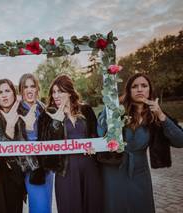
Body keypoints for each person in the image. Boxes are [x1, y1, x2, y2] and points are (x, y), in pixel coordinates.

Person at [97, 73, 183, 213]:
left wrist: (161, 116)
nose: (139, 89)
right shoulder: (116, 111)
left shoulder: (155, 116)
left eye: (144, 86)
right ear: (129, 91)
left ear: (150, 90)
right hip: (114, 168)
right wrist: (111, 112)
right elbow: (100, 133)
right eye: (134, 86)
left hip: (139, 169)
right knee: (115, 206)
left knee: (141, 205)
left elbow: (180, 141)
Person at [39, 75, 102, 213]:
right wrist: (57, 122)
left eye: (60, 91)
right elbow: (48, 147)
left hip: (89, 166)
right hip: (66, 170)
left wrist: (94, 146)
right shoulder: (48, 115)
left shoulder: (86, 110)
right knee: (69, 207)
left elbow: (94, 134)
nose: (56, 95)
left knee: (92, 206)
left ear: (69, 92)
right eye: (53, 92)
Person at [0, 78, 38, 213]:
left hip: (17, 170)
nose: (4, 95)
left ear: (14, 93)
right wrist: (10, 127)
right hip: (0, 172)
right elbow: (2, 148)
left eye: (7, 90)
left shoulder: (22, 112)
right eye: (0, 92)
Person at [17, 73, 54, 213]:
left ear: (37, 88)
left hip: (47, 167)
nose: (29, 90)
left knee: (47, 206)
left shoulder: (43, 108)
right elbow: (20, 141)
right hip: (32, 167)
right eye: (25, 87)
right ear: (21, 90)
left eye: (32, 86)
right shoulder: (18, 111)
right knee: (40, 208)